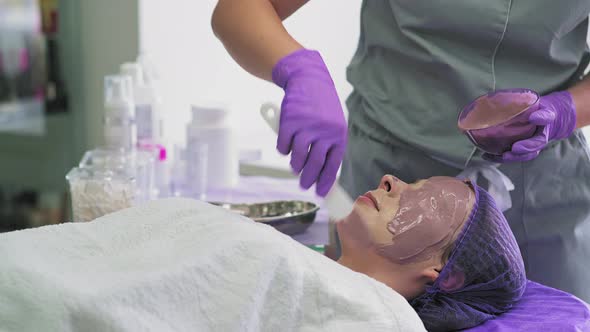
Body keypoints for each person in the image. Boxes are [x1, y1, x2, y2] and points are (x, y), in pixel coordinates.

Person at [211, 1, 590, 302]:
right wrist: (297, 68)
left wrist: (567, 110)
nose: (394, 185)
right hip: (386, 144)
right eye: (420, 189)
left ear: (444, 277)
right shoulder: (371, 203)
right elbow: (240, 7)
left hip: (543, 189)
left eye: (432, 199)